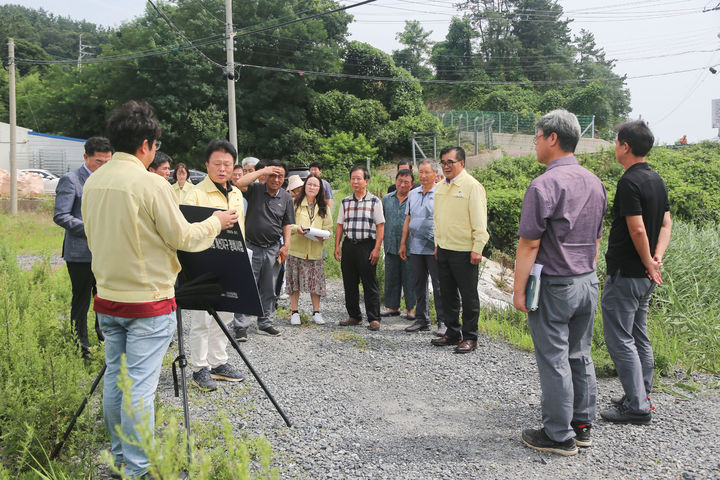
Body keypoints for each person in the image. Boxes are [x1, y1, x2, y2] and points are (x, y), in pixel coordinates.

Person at [82, 100, 238, 478]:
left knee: (117, 384)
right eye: (155, 145)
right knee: (139, 388)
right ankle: (136, 469)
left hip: (107, 299)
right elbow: (182, 236)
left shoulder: (94, 181)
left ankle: (121, 457)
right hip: (148, 303)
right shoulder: (151, 183)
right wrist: (217, 222)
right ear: (147, 145)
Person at [513, 109, 606, 456]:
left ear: (552, 138)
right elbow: (597, 238)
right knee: (580, 355)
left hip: (555, 284)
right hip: (587, 280)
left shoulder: (544, 185)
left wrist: (519, 290)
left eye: (537, 137)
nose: (535, 143)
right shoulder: (595, 181)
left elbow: (530, 243)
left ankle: (557, 434)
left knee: (554, 359)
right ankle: (582, 426)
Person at [600, 120, 672, 425]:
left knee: (620, 338)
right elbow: (666, 224)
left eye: (617, 142)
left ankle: (637, 407)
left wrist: (646, 260)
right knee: (638, 334)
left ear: (625, 146)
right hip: (645, 276)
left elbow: (637, 227)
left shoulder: (629, 182)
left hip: (627, 273)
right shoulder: (656, 179)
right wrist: (656, 259)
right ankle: (641, 394)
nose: (615, 147)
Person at [182, 140, 246, 392]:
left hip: (231, 262)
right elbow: (188, 232)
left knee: (226, 313)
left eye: (227, 164)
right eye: (217, 163)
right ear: (206, 164)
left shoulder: (237, 194)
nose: (222, 169)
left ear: (233, 166)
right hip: (203, 263)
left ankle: (218, 362)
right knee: (201, 318)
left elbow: (241, 229)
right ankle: (200, 367)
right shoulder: (194, 194)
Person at [53, 136, 113, 359]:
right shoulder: (71, 180)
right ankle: (81, 347)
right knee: (81, 300)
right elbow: (61, 216)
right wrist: (92, 228)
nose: (103, 167)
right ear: (86, 157)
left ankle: (104, 339)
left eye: (108, 162)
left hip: (104, 252)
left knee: (104, 298)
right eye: (99, 162)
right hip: (80, 253)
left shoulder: (109, 180)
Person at [430, 146, 489, 353]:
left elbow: (480, 221)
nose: (445, 166)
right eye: (443, 162)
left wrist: (478, 247)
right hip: (444, 248)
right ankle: (452, 332)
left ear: (461, 164)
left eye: (450, 162)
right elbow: (437, 218)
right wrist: (438, 244)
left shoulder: (472, 186)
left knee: (468, 295)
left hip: (465, 251)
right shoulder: (440, 187)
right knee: (447, 294)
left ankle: (470, 336)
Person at [232, 160, 294, 340]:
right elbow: (239, 183)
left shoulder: (286, 197)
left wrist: (286, 245)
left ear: (284, 179)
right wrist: (263, 171)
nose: (276, 179)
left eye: (280, 176)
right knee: (246, 286)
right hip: (252, 246)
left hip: (273, 249)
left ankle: (265, 323)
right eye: (273, 175)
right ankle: (241, 326)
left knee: (269, 289)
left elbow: (287, 223)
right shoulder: (256, 190)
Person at [399, 159, 447, 335]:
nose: (423, 175)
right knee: (418, 284)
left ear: (436, 174)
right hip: (415, 246)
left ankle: (443, 321)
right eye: (420, 172)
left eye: (427, 172)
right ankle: (422, 319)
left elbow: (444, 221)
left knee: (439, 284)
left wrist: (440, 244)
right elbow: (408, 219)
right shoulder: (413, 193)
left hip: (434, 246)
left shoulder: (442, 192)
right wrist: (403, 243)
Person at [334, 166, 385, 331]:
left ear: (366, 181)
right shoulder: (345, 201)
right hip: (349, 245)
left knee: (369, 282)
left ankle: (374, 318)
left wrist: (377, 248)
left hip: (367, 245)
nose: (355, 182)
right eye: (353, 179)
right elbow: (340, 225)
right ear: (350, 181)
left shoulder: (374, 201)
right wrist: (337, 246)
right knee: (349, 283)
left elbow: (380, 226)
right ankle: (354, 316)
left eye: (359, 178)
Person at [286, 174, 334, 325]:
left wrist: (324, 236)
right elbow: (287, 224)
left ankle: (316, 311)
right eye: (309, 184)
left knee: (316, 283)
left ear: (320, 189)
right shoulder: (294, 203)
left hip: (315, 250)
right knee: (294, 282)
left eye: (315, 185)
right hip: (296, 249)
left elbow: (329, 229)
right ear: (304, 187)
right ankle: (294, 312)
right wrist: (296, 228)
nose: (312, 187)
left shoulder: (324, 207)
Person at [381, 169, 416, 320]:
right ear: (395, 181)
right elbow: (381, 222)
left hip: (410, 246)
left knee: (410, 278)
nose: (402, 185)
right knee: (391, 277)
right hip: (390, 244)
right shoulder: (386, 199)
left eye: (406, 182)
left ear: (412, 184)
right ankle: (393, 307)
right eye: (400, 181)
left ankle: (411, 309)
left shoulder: (415, 199)